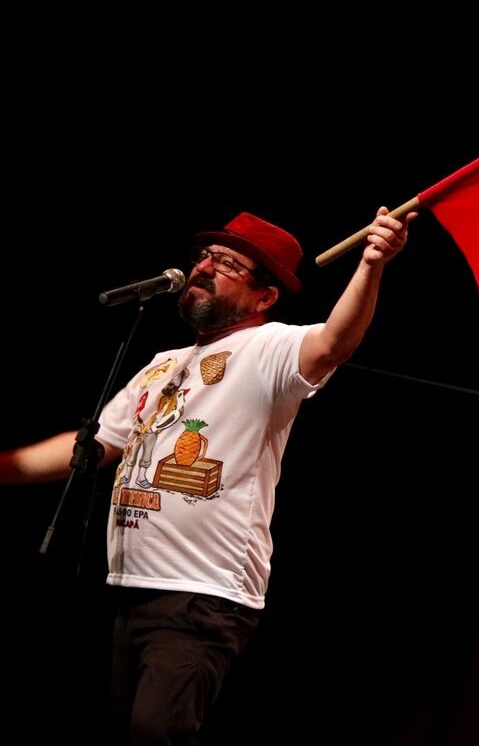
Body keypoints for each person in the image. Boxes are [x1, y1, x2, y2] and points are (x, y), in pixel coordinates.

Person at [0, 206, 412, 743]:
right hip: (132, 586)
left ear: (265, 297)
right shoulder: (163, 363)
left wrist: (372, 263)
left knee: (156, 732)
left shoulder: (266, 349)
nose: (204, 267)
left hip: (200, 593)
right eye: (205, 256)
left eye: (228, 264)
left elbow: (333, 342)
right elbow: (94, 444)